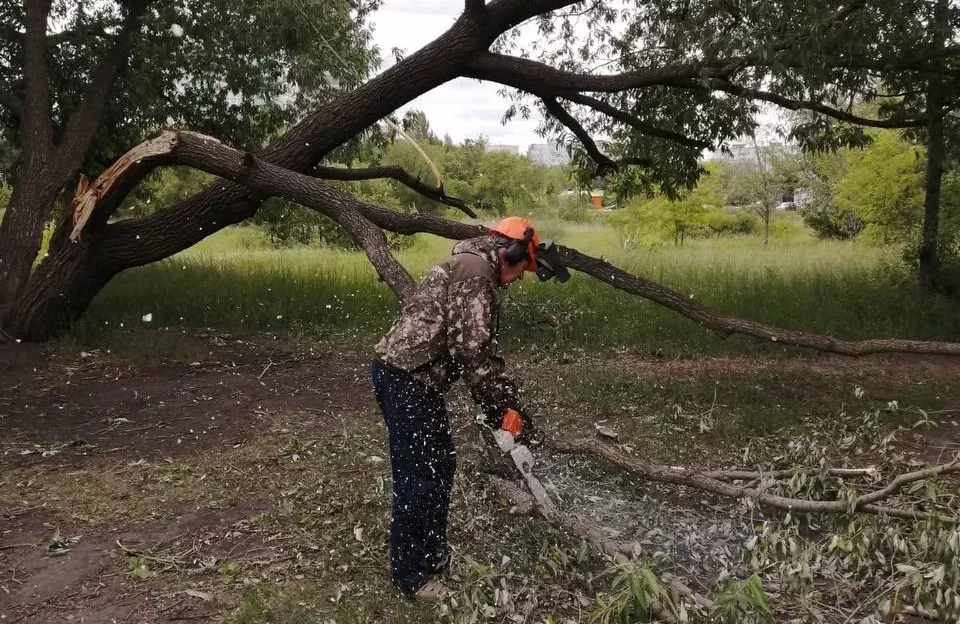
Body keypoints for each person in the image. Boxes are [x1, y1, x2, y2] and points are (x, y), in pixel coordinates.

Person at [371, 216, 569, 600]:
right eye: (521, 267)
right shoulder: (476, 271)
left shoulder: (474, 266)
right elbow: (472, 353)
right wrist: (503, 408)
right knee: (419, 476)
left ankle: (432, 552)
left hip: (415, 380)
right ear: (507, 253)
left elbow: (474, 351)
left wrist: (503, 404)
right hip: (406, 379)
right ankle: (410, 575)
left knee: (440, 464)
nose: (520, 277)